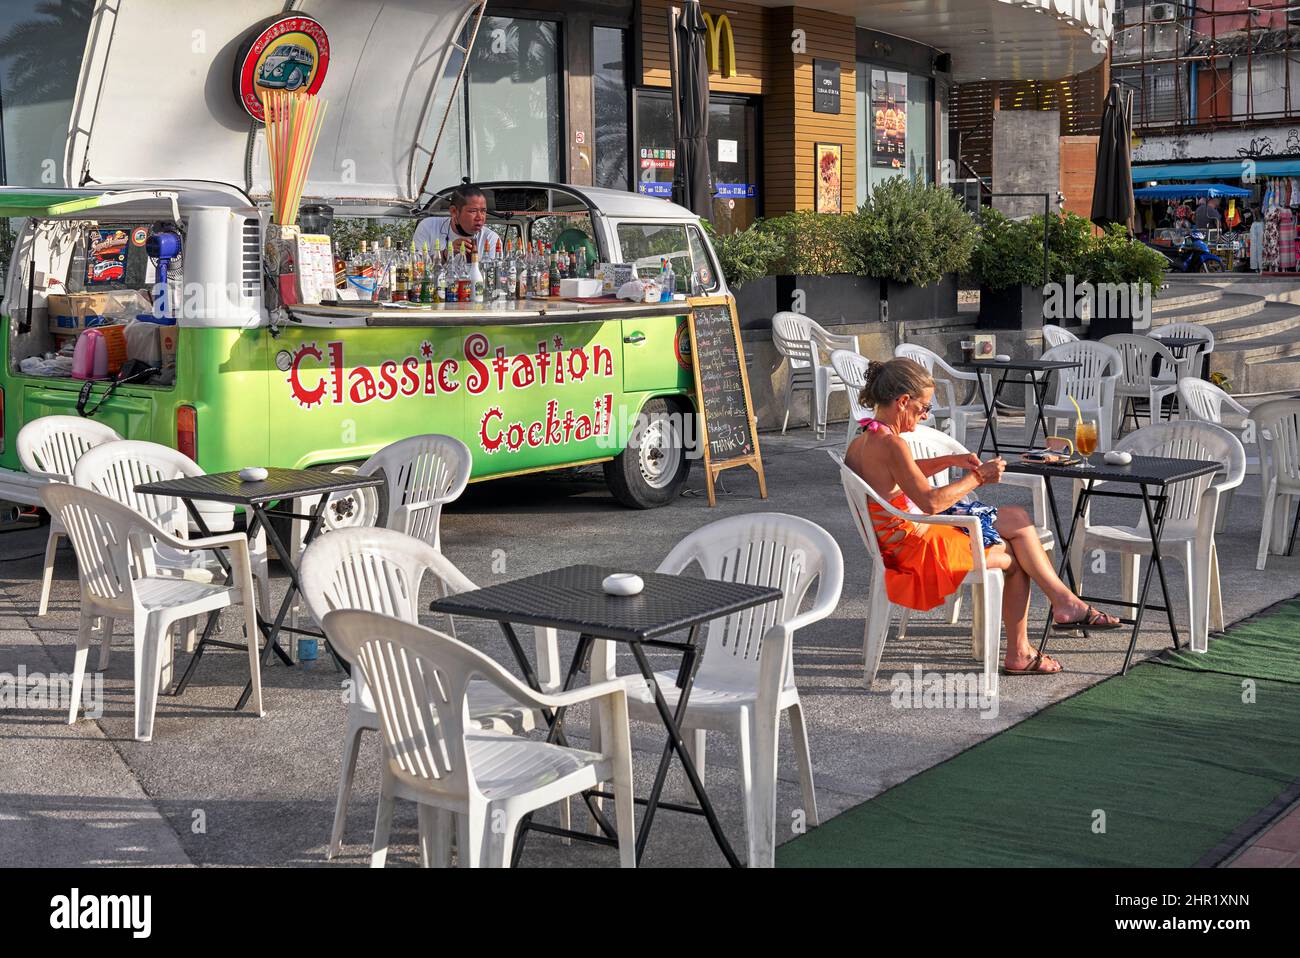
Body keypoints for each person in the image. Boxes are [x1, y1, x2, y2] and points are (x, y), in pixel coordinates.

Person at [844, 358, 1120, 676]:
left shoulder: (863, 440)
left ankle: (1064, 603)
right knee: (1017, 560)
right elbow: (931, 502)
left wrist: (950, 459)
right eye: (924, 407)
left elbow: (899, 474)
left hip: (901, 537)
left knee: (1016, 518)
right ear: (903, 401)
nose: (925, 414)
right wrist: (979, 477)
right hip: (915, 548)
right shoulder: (892, 444)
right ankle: (1022, 650)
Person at [412, 184, 502, 260]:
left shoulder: (491, 239)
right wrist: (445, 254)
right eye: (473, 211)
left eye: (483, 211)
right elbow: (416, 267)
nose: (479, 217)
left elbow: (493, 275)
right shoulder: (428, 226)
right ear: (454, 211)